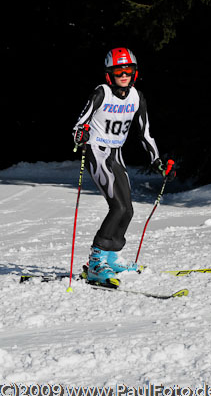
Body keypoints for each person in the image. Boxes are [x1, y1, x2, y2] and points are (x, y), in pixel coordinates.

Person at [73, 47, 174, 285]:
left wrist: (158, 162)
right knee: (117, 207)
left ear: (134, 72)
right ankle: (96, 263)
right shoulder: (101, 93)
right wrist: (81, 135)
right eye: (119, 70)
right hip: (97, 153)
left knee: (128, 210)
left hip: (116, 155)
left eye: (128, 69)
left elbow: (146, 134)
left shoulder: (137, 97)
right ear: (110, 73)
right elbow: (80, 124)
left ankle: (112, 256)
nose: (124, 74)